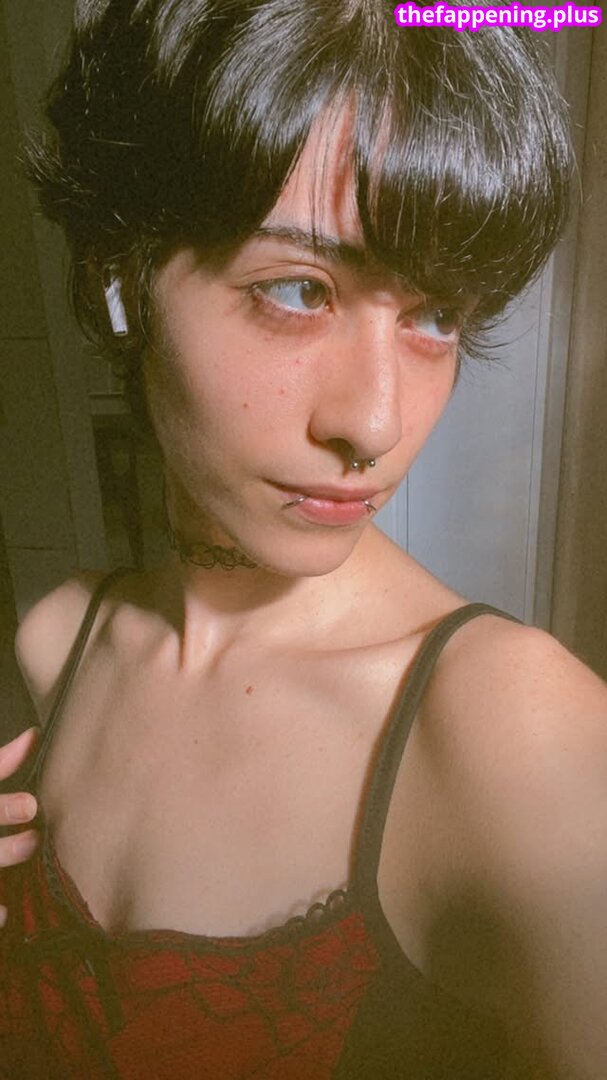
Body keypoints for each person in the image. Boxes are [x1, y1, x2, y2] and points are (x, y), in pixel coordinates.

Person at [1, 1, 606, 1076]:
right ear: (117, 278)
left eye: (435, 315)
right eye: (296, 290)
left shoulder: (517, 736)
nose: (374, 422)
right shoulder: (59, 640)